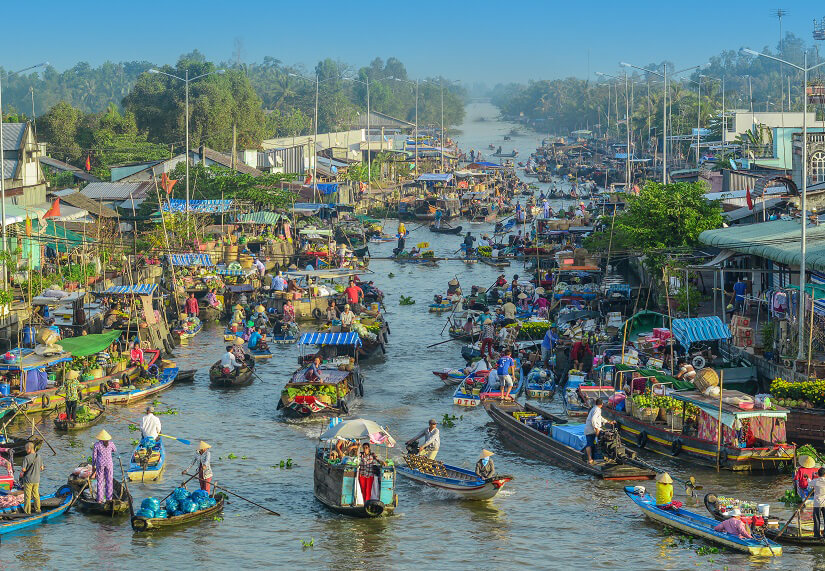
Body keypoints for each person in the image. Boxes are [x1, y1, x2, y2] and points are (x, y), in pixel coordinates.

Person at [91, 429, 117, 503]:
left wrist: (93, 466)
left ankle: (100, 499)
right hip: (109, 464)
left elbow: (94, 457)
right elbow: (114, 450)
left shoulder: (97, 445)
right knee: (109, 481)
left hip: (100, 464)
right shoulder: (111, 444)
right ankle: (109, 499)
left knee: (100, 481)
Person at [20, 442, 44, 514]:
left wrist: (22, 472)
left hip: (28, 480)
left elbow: (23, 469)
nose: (26, 451)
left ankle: (27, 511)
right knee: (36, 495)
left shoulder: (26, 458)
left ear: (29, 449)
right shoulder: (39, 456)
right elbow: (42, 468)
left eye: (26, 449)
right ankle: (38, 509)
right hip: (36, 480)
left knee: (27, 496)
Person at [584, 398, 608, 464]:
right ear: (602, 404)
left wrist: (608, 421)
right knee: (589, 444)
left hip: (592, 429)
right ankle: (590, 459)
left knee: (594, 443)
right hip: (591, 430)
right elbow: (593, 420)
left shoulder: (596, 409)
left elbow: (599, 418)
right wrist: (596, 428)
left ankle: (595, 457)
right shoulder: (596, 410)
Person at [810, 467, 825, 538]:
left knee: (817, 520)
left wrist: (807, 478)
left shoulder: (815, 481)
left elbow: (809, 484)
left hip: (817, 503)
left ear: (818, 474)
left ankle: (817, 535)